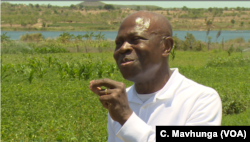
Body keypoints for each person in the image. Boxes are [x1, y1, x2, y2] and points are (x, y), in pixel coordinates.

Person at [89, 11, 222, 142]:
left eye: (136, 39)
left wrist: (126, 118)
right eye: (118, 43)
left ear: (166, 46)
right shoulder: (122, 101)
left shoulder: (201, 99)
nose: (123, 48)